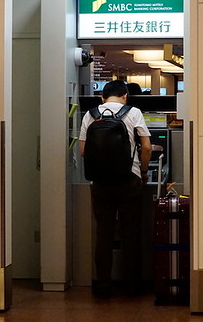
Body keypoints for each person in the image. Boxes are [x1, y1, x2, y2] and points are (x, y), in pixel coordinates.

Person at [79, 80, 152, 297]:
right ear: (125, 96)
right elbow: (146, 146)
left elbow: (83, 151)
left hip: (100, 182)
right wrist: (144, 170)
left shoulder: (90, 114)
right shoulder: (134, 112)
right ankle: (133, 284)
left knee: (104, 233)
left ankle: (102, 285)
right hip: (129, 179)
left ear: (103, 97)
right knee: (131, 233)